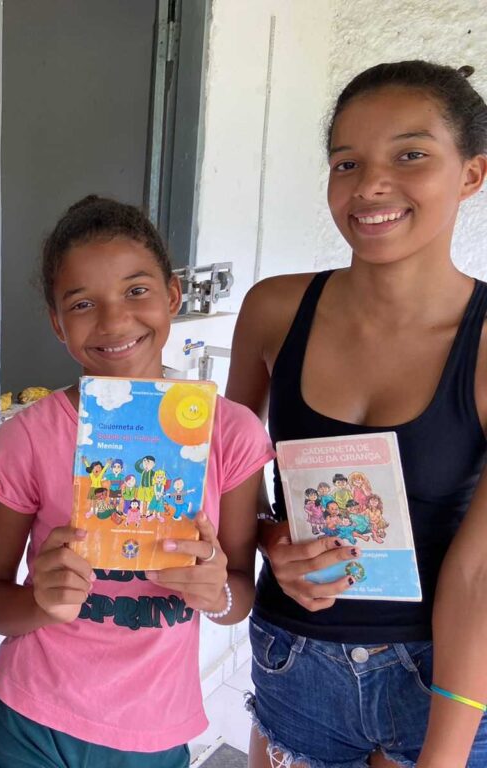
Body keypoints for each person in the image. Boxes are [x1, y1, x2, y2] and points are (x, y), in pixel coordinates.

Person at [227, 61, 487, 767]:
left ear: (470, 174)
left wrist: (443, 757)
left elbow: (478, 574)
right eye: (347, 162)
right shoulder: (274, 309)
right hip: (293, 659)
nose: (370, 185)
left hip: (445, 676)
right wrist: (270, 537)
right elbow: (227, 475)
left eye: (410, 155)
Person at [0, 195, 273, 768]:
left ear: (173, 296)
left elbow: (239, 595)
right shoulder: (28, 437)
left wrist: (217, 594)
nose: (113, 321)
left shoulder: (230, 433)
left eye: (136, 290)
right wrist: (41, 602)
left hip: (154, 730)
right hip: (29, 719)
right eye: (83, 303)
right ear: (58, 324)